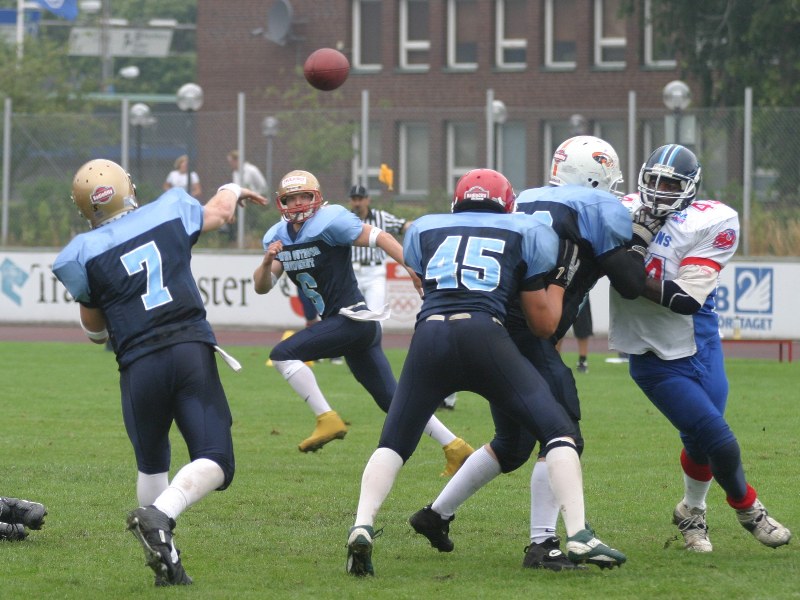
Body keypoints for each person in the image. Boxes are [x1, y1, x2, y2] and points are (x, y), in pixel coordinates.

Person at [346, 168, 627, 577]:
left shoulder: (426, 228)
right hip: (484, 336)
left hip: (429, 336)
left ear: (457, 202)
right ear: (508, 204)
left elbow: (424, 280)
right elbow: (542, 323)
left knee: (393, 443)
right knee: (558, 431)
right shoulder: (525, 231)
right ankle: (578, 532)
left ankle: (362, 525)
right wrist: (560, 278)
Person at [408, 136, 655, 571]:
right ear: (595, 177)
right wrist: (641, 237)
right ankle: (543, 544)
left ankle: (435, 515)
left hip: (497, 325)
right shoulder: (597, 207)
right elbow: (631, 283)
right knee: (563, 433)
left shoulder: (523, 199)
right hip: (526, 335)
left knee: (513, 443)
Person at [52, 159, 268, 586]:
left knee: (152, 465)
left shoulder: (81, 253)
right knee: (217, 458)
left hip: (138, 366)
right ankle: (160, 515)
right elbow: (220, 213)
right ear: (127, 187)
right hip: (188, 350)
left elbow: (95, 332)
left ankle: (165, 559)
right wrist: (231, 188)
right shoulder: (170, 208)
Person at [609, 144, 792, 552]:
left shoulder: (711, 219)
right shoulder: (617, 210)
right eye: (654, 181)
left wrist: (630, 274)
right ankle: (748, 509)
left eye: (671, 184)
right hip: (651, 355)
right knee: (718, 438)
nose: (659, 191)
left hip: (700, 341)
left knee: (698, 442)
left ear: (689, 187)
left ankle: (691, 512)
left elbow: (685, 299)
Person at [252, 170, 473, 476]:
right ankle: (456, 447)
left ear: (316, 197)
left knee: (282, 354)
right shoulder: (277, 237)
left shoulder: (330, 221)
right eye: (292, 198)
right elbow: (262, 287)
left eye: (305, 196)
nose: (299, 203)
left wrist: (411, 268)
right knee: (392, 401)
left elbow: (381, 237)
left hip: (351, 320)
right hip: (353, 328)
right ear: (282, 202)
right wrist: (266, 262)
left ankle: (326, 418)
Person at [556, 299, 593, 373]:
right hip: (560, 293)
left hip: (580, 294)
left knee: (582, 324)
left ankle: (582, 360)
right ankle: (556, 359)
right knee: (558, 324)